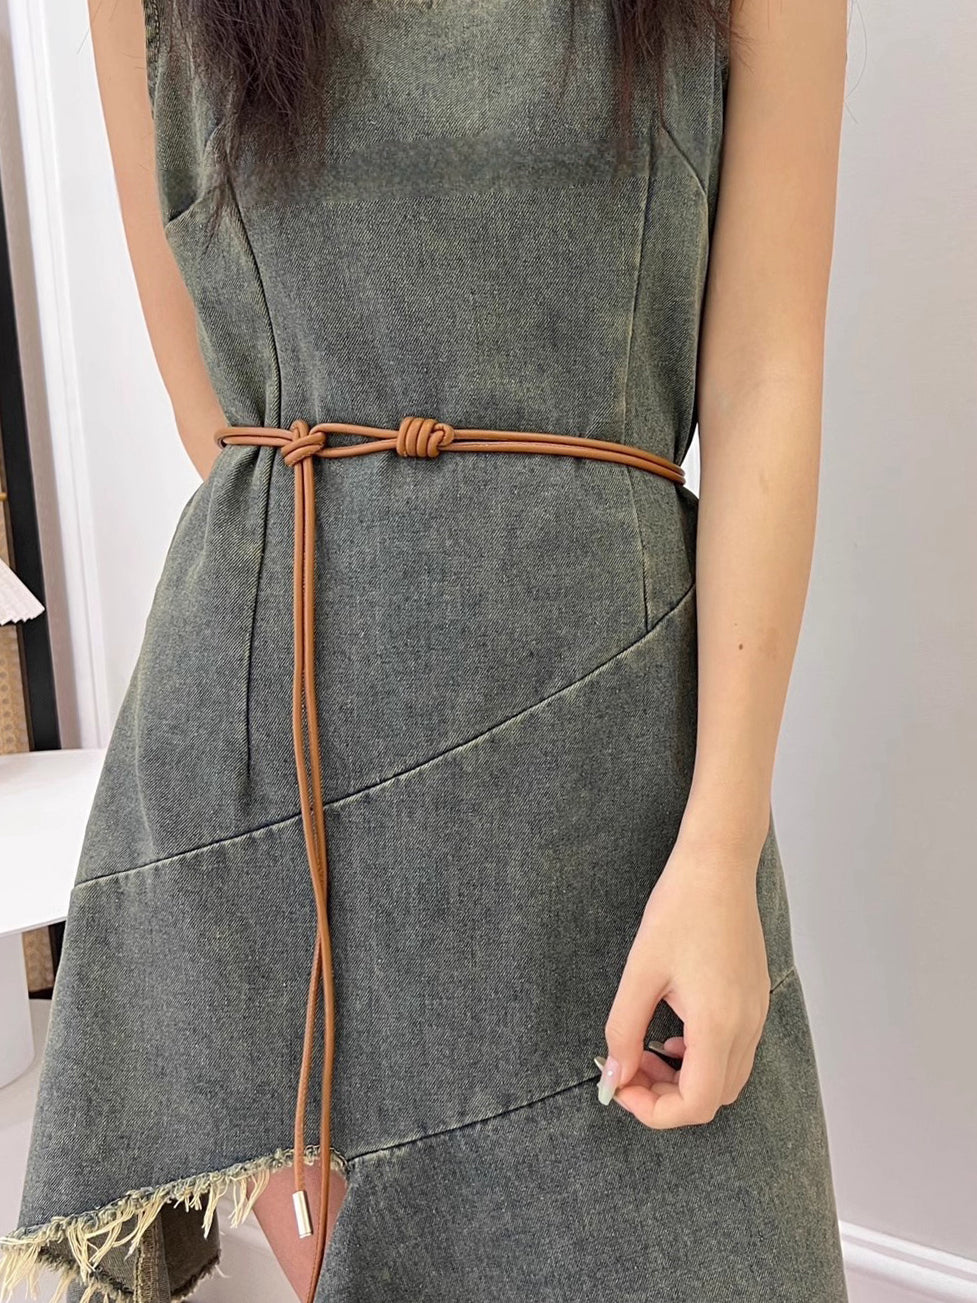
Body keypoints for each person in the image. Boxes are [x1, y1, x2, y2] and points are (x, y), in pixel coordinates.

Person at [0, 0, 850, 1300]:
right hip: (291, 788)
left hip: (615, 780)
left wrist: (720, 846)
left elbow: (765, 379)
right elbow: (217, 417)